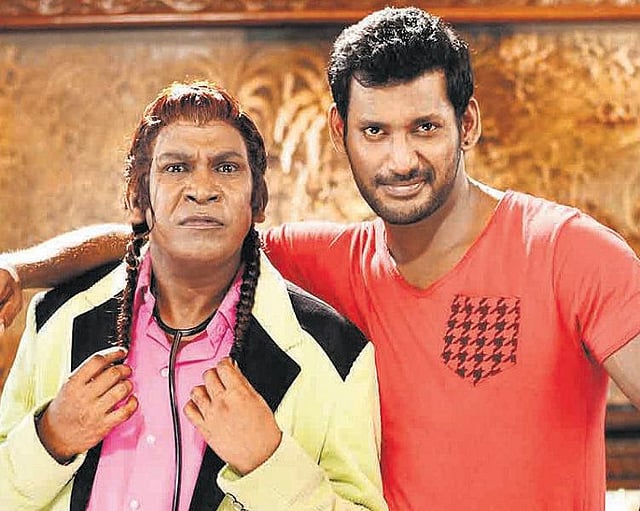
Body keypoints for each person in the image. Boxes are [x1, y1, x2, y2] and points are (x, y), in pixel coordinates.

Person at [1, 6, 639, 510]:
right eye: (374, 131)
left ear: (466, 122)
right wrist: (19, 272)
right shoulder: (325, 261)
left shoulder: (569, 252)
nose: (400, 160)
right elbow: (166, 238)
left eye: (424, 127)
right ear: (341, 132)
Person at [0, 81, 386, 511]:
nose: (202, 189)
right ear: (138, 200)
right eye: (176, 167)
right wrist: (49, 439)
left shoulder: (336, 355)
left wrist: (268, 463)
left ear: (258, 201)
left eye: (226, 167)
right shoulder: (55, 320)